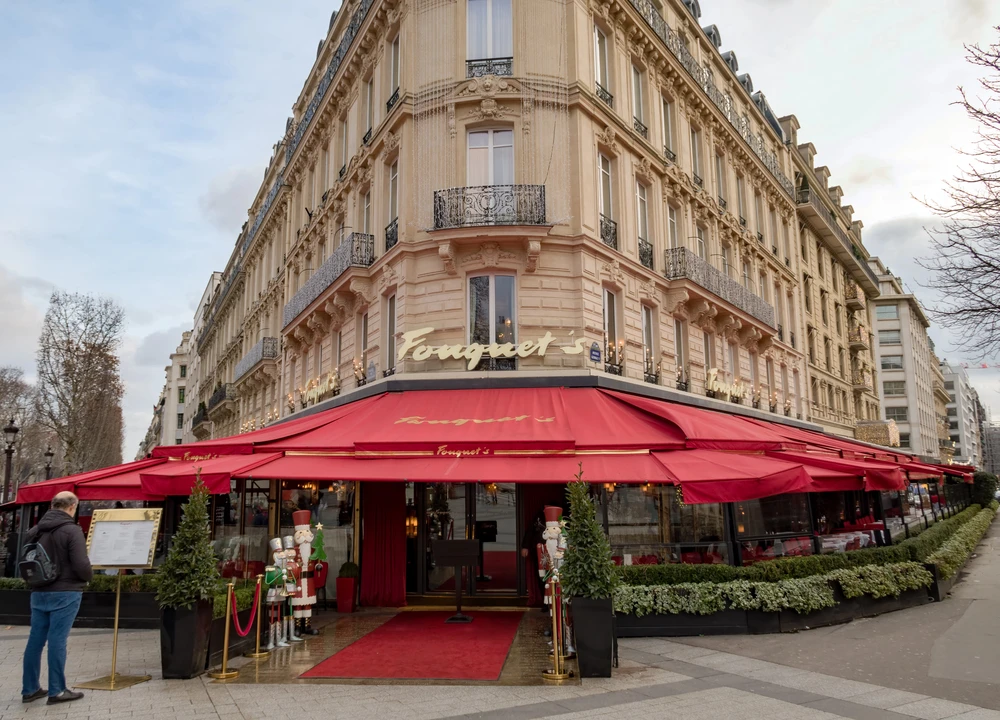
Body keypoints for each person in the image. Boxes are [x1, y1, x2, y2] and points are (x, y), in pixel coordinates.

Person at [20, 491, 92, 705]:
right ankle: (57, 690)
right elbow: (81, 564)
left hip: (39, 591)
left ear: (52, 505)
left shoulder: (35, 530)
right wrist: (89, 577)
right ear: (72, 507)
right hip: (66, 591)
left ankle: (30, 688)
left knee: (35, 640)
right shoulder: (72, 530)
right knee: (58, 640)